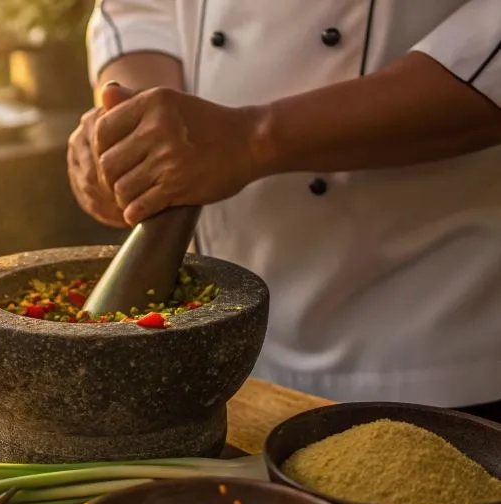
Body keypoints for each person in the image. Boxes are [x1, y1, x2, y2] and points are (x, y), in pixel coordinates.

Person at [68, 1, 501, 419]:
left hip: (430, 343)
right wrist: (132, 133)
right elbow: (141, 9)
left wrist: (254, 139)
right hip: (220, 355)